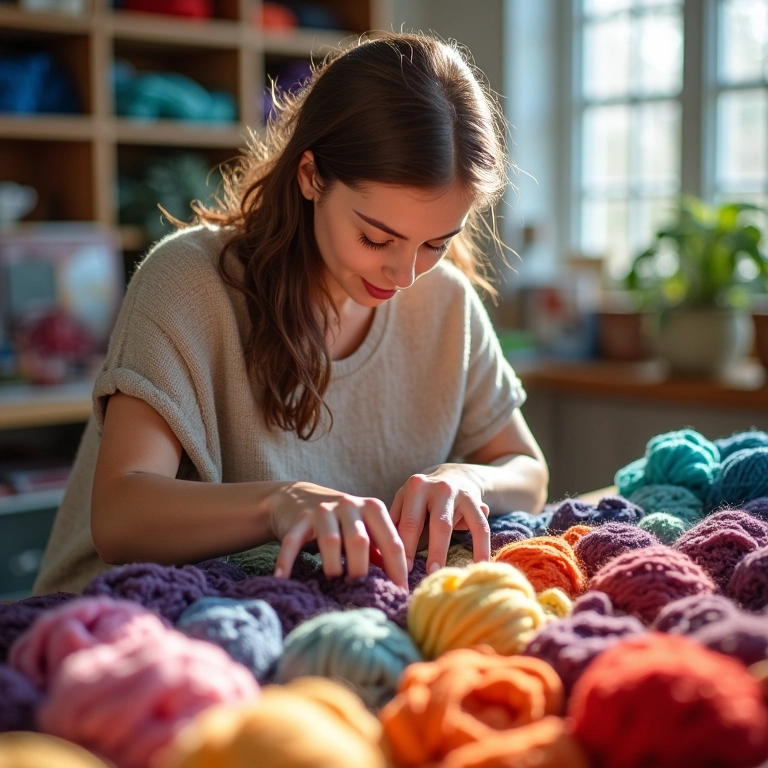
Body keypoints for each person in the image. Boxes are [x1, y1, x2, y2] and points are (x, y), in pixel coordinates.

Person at [34, 32, 549, 596]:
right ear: (310, 176)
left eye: (436, 243)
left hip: (300, 615)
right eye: (376, 239)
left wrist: (466, 478)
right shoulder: (189, 282)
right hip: (119, 622)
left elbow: (526, 469)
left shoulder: (446, 301)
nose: (404, 275)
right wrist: (280, 503)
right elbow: (120, 517)